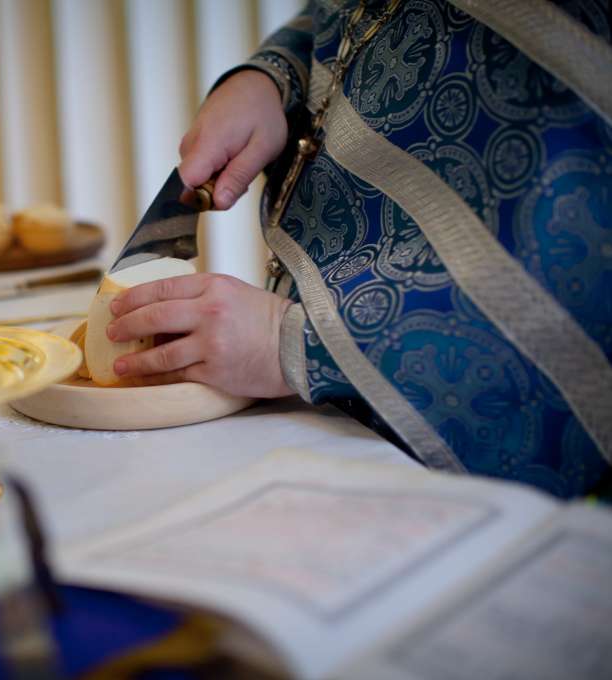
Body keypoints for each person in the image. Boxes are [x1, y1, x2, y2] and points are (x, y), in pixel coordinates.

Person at [105, 0, 612, 498]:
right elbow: (355, 18)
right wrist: (271, 77)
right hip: (315, 407)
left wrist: (296, 342)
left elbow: (585, 259)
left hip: (445, 464)